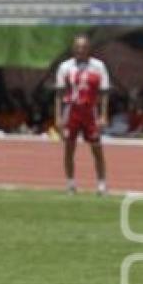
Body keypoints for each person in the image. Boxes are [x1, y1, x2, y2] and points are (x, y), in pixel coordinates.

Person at [55, 35, 110, 195]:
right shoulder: (65, 67)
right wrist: (58, 116)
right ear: (73, 49)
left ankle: (101, 184)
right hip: (71, 111)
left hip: (90, 111)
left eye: (83, 47)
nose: (80, 50)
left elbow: (104, 93)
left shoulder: (98, 66)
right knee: (69, 149)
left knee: (97, 149)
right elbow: (59, 93)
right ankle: (70, 184)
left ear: (89, 49)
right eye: (77, 47)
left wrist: (104, 115)